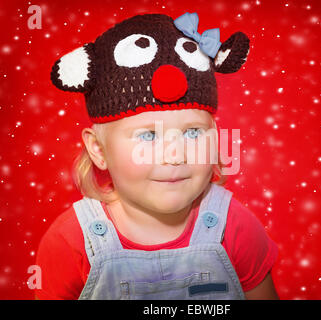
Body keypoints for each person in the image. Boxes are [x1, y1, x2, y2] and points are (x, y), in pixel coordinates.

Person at [36, 12, 279, 300]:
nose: (174, 155)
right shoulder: (71, 242)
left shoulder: (236, 227)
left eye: (192, 132)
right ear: (99, 150)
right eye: (148, 136)